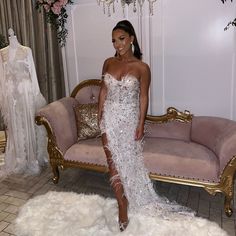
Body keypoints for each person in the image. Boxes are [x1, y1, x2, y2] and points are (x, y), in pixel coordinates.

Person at [98, 20, 194, 232]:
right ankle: (122, 204)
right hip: (109, 119)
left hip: (129, 120)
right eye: (114, 41)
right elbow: (103, 91)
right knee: (112, 161)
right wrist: (100, 116)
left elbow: (143, 97)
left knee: (128, 163)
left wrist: (141, 124)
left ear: (131, 38)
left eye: (121, 39)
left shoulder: (142, 68)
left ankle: (131, 198)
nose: (118, 45)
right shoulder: (108, 63)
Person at [0, 28, 48, 177]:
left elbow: (32, 73)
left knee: (28, 123)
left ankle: (32, 158)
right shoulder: (2, 53)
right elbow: (2, 75)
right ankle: (19, 158)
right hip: (10, 93)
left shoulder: (26, 50)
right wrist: (2, 95)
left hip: (26, 92)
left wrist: (36, 94)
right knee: (15, 126)